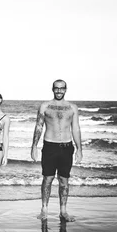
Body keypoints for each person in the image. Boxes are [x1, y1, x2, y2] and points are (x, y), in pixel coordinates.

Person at [31, 79, 82, 222]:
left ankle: (63, 211)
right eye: (57, 88)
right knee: (47, 179)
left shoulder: (72, 108)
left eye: (62, 88)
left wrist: (79, 149)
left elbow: (76, 128)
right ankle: (44, 210)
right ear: (52, 89)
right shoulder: (45, 106)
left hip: (66, 147)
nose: (59, 91)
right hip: (50, 146)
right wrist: (34, 146)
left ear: (66, 89)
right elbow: (39, 126)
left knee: (64, 181)